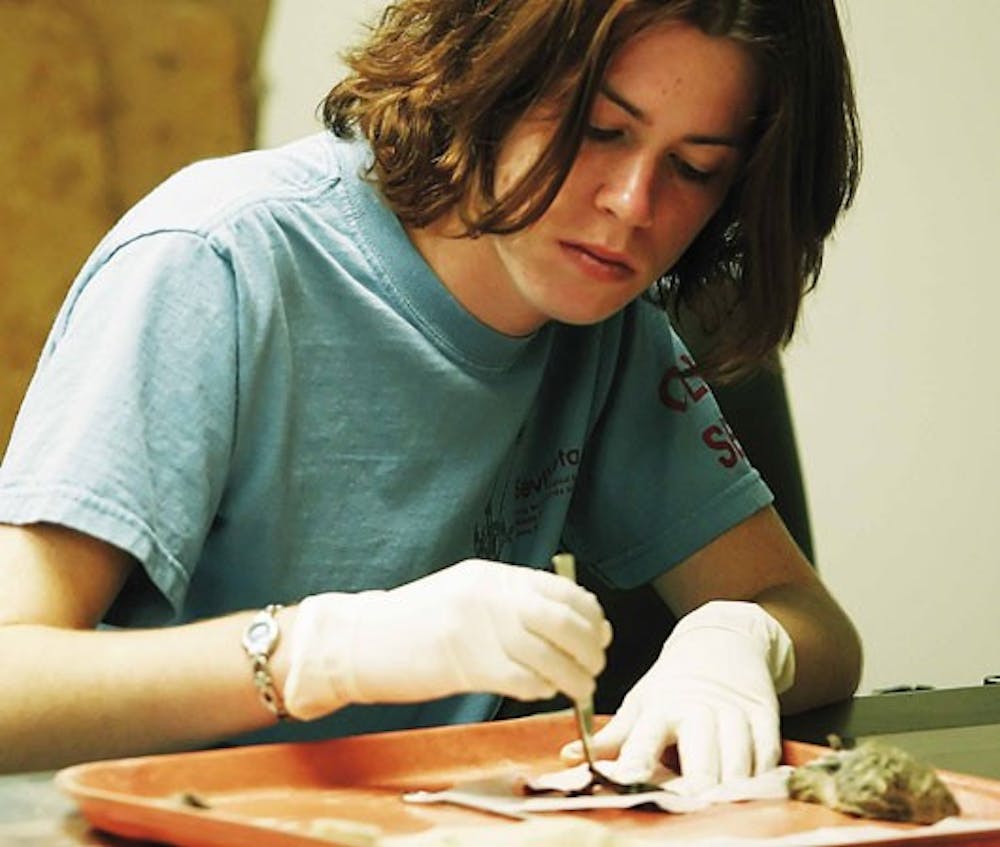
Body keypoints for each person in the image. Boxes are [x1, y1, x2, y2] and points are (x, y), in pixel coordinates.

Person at [0, 0, 863, 785]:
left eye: (696, 168)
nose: (632, 205)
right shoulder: (213, 263)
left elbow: (812, 623)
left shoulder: (607, 328)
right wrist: (321, 653)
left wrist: (737, 640)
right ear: (484, 68)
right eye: (600, 129)